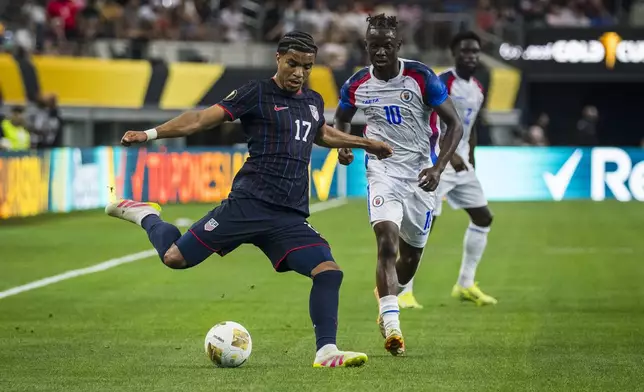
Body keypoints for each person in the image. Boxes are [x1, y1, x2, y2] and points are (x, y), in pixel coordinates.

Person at [104, 31, 393, 368]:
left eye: (307, 66)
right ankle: (145, 215)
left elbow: (321, 133)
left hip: (288, 217)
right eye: (292, 64)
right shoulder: (256, 93)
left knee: (328, 272)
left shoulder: (313, 101)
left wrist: (365, 144)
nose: (299, 72)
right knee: (173, 258)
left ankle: (326, 351)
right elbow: (199, 119)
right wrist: (149, 134)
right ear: (278, 59)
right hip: (247, 205)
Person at [334, 14, 464, 356]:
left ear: (398, 46)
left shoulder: (421, 77)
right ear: (366, 45)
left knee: (411, 254)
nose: (379, 52)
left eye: (386, 46)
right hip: (382, 172)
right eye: (373, 45)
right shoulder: (357, 83)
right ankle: (392, 326)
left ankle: (390, 295)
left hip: (421, 174)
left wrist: (438, 167)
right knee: (386, 241)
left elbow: (454, 125)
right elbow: (342, 118)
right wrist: (345, 145)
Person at [398, 31, 497, 307]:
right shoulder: (443, 81)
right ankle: (404, 291)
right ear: (455, 54)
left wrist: (472, 155)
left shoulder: (477, 87)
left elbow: (471, 124)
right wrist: (447, 155)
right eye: (465, 51)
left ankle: (465, 284)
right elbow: (432, 119)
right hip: (439, 162)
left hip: (462, 162)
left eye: (475, 51)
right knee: (423, 226)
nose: (471, 56)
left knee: (483, 217)